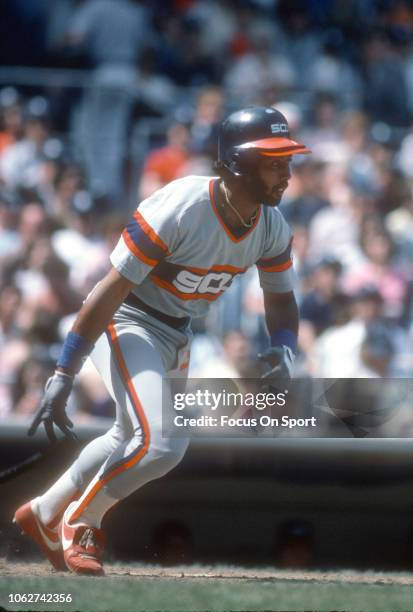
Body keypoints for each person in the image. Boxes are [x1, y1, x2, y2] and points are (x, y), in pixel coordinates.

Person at [13, 106, 310, 575]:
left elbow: (281, 298)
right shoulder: (181, 206)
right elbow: (107, 290)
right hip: (126, 319)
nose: (286, 174)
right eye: (274, 161)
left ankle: (46, 511)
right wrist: (63, 371)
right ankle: (82, 520)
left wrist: (284, 346)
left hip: (176, 331)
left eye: (288, 161)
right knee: (163, 443)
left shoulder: (271, 226)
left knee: (126, 435)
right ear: (235, 164)